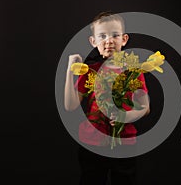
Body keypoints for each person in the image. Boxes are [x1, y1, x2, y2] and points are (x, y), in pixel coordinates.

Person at [64, 11, 150, 185]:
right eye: (102, 36)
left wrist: (124, 117)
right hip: (91, 142)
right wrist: (70, 70)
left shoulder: (133, 71)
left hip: (124, 142)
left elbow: (145, 107)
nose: (109, 41)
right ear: (93, 41)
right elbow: (70, 105)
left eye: (115, 35)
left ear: (124, 39)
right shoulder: (90, 71)